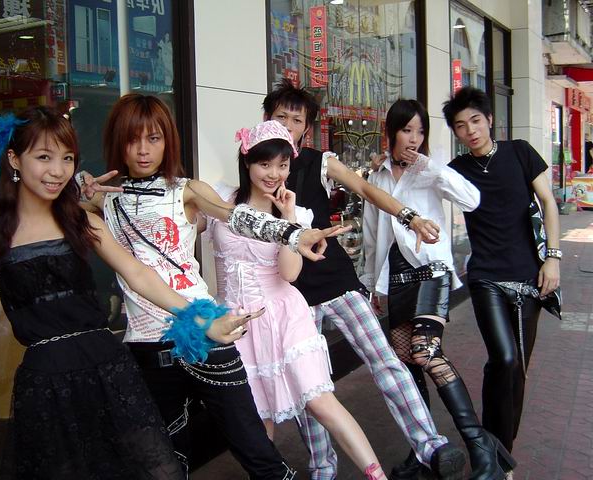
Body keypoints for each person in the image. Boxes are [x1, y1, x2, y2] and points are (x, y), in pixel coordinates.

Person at [0, 107, 256, 479]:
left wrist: (202, 319)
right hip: (46, 381)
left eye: (67, 158)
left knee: (157, 471)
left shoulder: (81, 221)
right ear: (14, 159)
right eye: (44, 157)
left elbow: (140, 275)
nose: (57, 170)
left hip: (108, 368)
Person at [81, 94, 348, 479]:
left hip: (207, 332)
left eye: (153, 138)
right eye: (132, 139)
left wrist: (291, 233)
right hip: (146, 342)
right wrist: (79, 189)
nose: (142, 150)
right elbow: (59, 207)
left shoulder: (186, 189)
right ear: (116, 143)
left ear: (168, 141)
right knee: (164, 460)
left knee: (256, 449)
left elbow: (232, 215)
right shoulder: (105, 203)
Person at [262, 79, 466, 480]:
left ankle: (430, 444)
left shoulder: (319, 161)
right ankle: (322, 467)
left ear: (307, 128)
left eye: (296, 120)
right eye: (280, 116)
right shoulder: (252, 169)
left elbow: (365, 189)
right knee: (309, 387)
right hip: (291, 295)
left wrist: (409, 217)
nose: (287, 125)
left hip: (337, 282)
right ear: (266, 118)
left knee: (385, 361)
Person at [206, 120, 388, 479]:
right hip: (235, 325)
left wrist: (289, 220)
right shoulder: (219, 202)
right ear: (247, 162)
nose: (274, 174)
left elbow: (290, 274)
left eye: (283, 165)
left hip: (283, 316)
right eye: (265, 164)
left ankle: (377, 476)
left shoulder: (297, 214)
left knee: (320, 402)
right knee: (257, 418)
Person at [363, 99, 516, 480]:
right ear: (391, 132)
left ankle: (481, 446)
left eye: (420, 131)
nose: (414, 138)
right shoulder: (377, 177)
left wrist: (429, 166)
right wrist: (371, 286)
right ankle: (426, 449)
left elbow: (472, 200)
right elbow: (371, 236)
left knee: (424, 351)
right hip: (395, 279)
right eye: (406, 130)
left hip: (432, 272)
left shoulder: (431, 171)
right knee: (407, 360)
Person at [442, 87, 560, 463]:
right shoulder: (456, 170)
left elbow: (549, 203)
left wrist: (553, 258)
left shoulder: (520, 152)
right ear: (456, 132)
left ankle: (500, 452)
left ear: (489, 119)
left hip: (529, 278)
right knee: (504, 358)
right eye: (461, 126)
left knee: (517, 368)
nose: (471, 130)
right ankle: (493, 452)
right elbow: (421, 181)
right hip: (485, 278)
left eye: (476, 121)